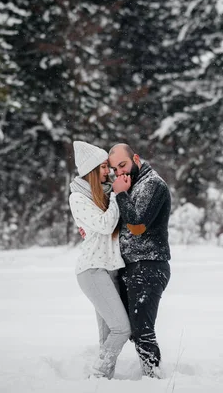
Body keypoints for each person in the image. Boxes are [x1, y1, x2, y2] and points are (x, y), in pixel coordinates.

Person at [68, 140, 132, 379]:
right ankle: (97, 374)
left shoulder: (102, 195)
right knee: (121, 329)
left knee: (108, 334)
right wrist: (117, 194)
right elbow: (106, 225)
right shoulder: (78, 198)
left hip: (110, 269)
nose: (109, 171)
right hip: (93, 270)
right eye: (104, 167)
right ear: (91, 170)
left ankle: (103, 382)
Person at [108, 143, 172, 378]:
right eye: (115, 169)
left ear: (135, 158)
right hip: (131, 266)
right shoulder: (131, 185)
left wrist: (120, 194)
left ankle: (153, 378)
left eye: (123, 165)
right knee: (130, 330)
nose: (120, 172)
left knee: (143, 331)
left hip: (149, 265)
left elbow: (136, 227)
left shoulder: (152, 184)